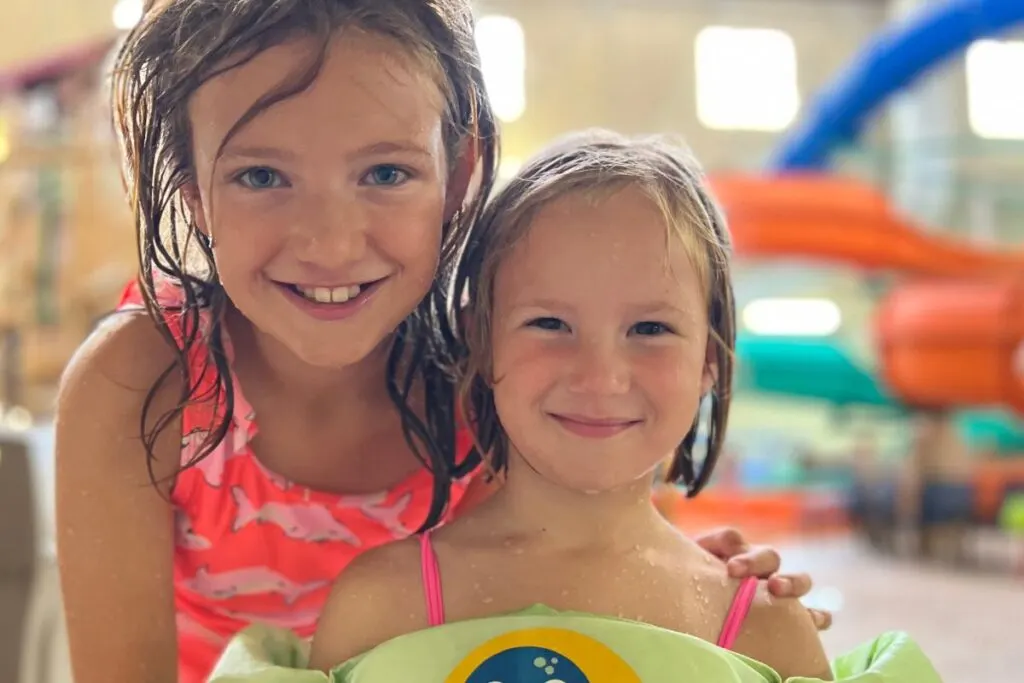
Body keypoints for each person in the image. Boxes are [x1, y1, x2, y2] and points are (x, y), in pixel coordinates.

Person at [55, 4, 829, 683]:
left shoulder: (493, 374)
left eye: (386, 172)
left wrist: (702, 596)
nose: (330, 241)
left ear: (458, 176)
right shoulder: (144, 383)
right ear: (192, 192)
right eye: (261, 176)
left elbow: (572, 565)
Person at [305, 131, 834, 681]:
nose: (600, 376)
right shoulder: (385, 605)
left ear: (711, 361)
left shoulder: (762, 630)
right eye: (550, 324)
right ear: (480, 342)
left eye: (651, 328)